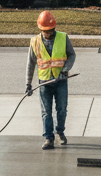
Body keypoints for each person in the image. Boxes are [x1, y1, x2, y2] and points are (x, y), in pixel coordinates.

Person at [25, 10, 76, 150]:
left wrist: (64, 70)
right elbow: (30, 64)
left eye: (50, 31)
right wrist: (28, 83)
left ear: (54, 28)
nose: (47, 34)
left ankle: (60, 132)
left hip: (61, 82)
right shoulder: (35, 41)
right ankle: (48, 137)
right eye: (44, 31)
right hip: (44, 83)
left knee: (62, 109)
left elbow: (72, 55)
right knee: (46, 112)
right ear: (40, 29)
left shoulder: (63, 38)